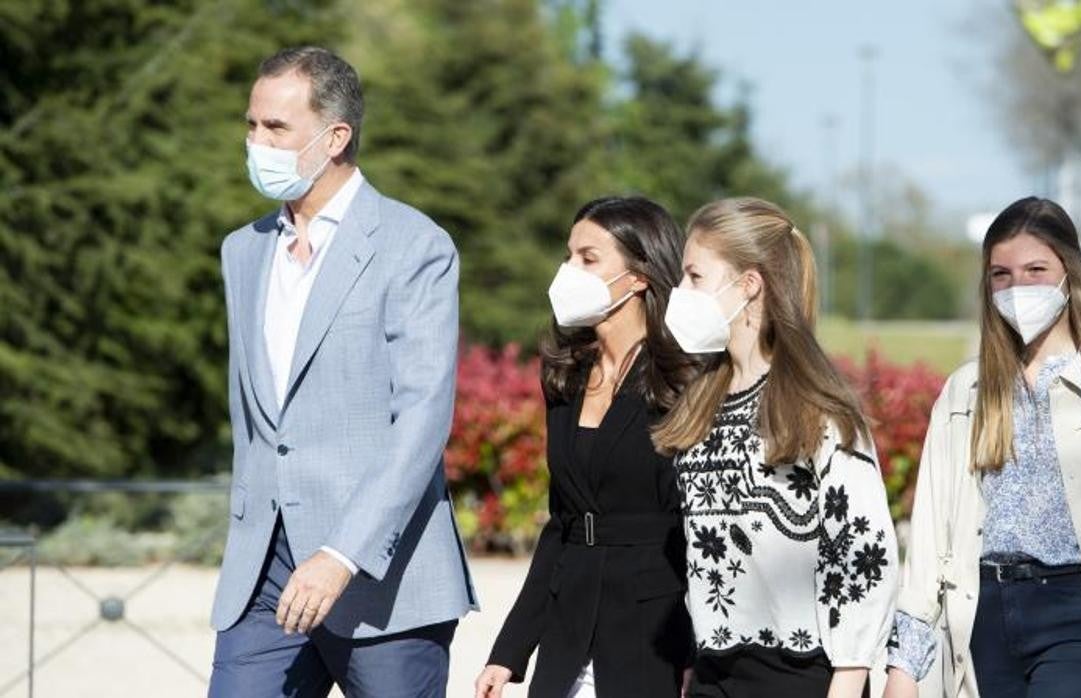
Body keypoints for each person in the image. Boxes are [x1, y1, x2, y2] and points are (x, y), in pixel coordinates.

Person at [208, 46, 475, 697]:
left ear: (335, 137)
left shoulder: (415, 245)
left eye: (276, 129)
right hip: (262, 574)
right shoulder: (242, 251)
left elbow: (421, 417)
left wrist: (341, 554)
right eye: (251, 125)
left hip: (383, 579)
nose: (257, 142)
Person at [882, 196, 1081, 698]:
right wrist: (905, 666)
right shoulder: (966, 393)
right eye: (1001, 274)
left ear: (1070, 275)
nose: (1017, 287)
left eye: (1036, 270)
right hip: (982, 618)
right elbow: (931, 537)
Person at [653, 197, 898, 698]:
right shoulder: (701, 401)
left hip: (801, 676)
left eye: (695, 277)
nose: (680, 292)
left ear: (749, 285)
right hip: (713, 675)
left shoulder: (816, 409)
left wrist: (849, 683)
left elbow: (863, 551)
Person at [475, 197, 699, 698]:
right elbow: (564, 522)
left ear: (639, 275)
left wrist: (696, 655)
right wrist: (510, 650)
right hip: (569, 630)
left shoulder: (683, 379)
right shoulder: (566, 372)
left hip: (653, 636)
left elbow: (696, 528)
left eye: (588, 258)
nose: (568, 270)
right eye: (569, 255)